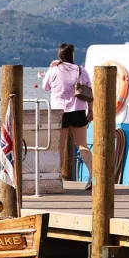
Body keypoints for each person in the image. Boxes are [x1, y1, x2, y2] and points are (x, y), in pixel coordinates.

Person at [42, 43, 94, 190]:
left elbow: (45, 87)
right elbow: (89, 91)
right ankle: (92, 176)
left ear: (59, 55)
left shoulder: (54, 71)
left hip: (60, 113)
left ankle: (57, 178)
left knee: (60, 147)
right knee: (82, 145)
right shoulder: (80, 70)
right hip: (78, 111)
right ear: (72, 54)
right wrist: (91, 110)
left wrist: (50, 67)